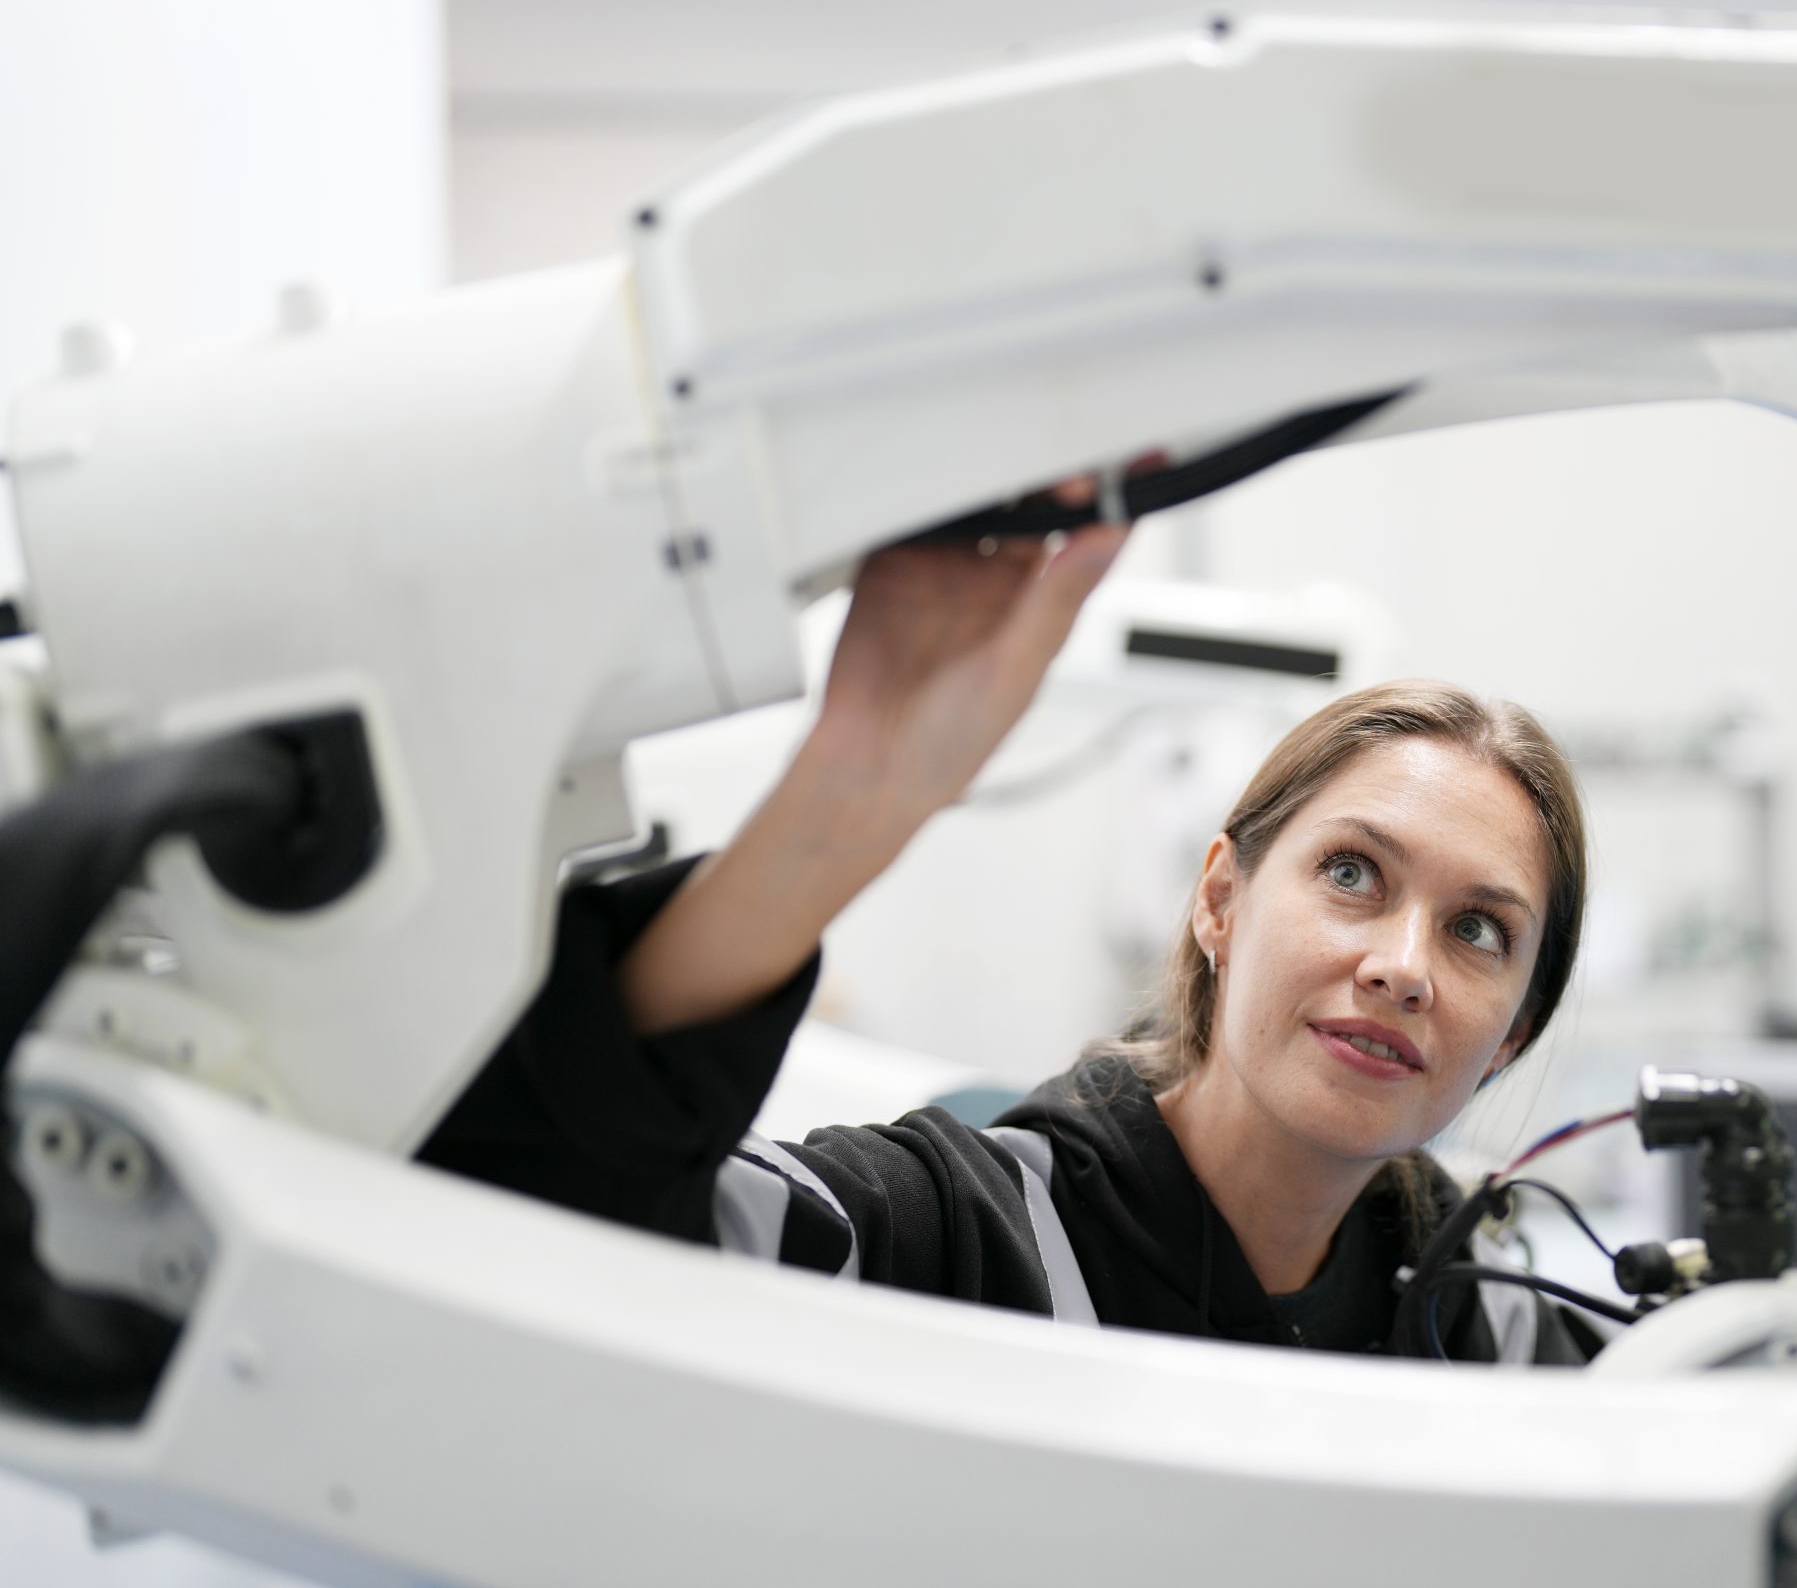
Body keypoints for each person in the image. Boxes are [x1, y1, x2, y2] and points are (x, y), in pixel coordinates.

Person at [421, 495, 1603, 1362]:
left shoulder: (1486, 1333)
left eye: (1479, 933)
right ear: (1219, 902)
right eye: (1352, 873)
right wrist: (843, 803)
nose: (1401, 966)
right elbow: (528, 1214)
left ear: (1511, 1035)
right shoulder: (950, 1237)